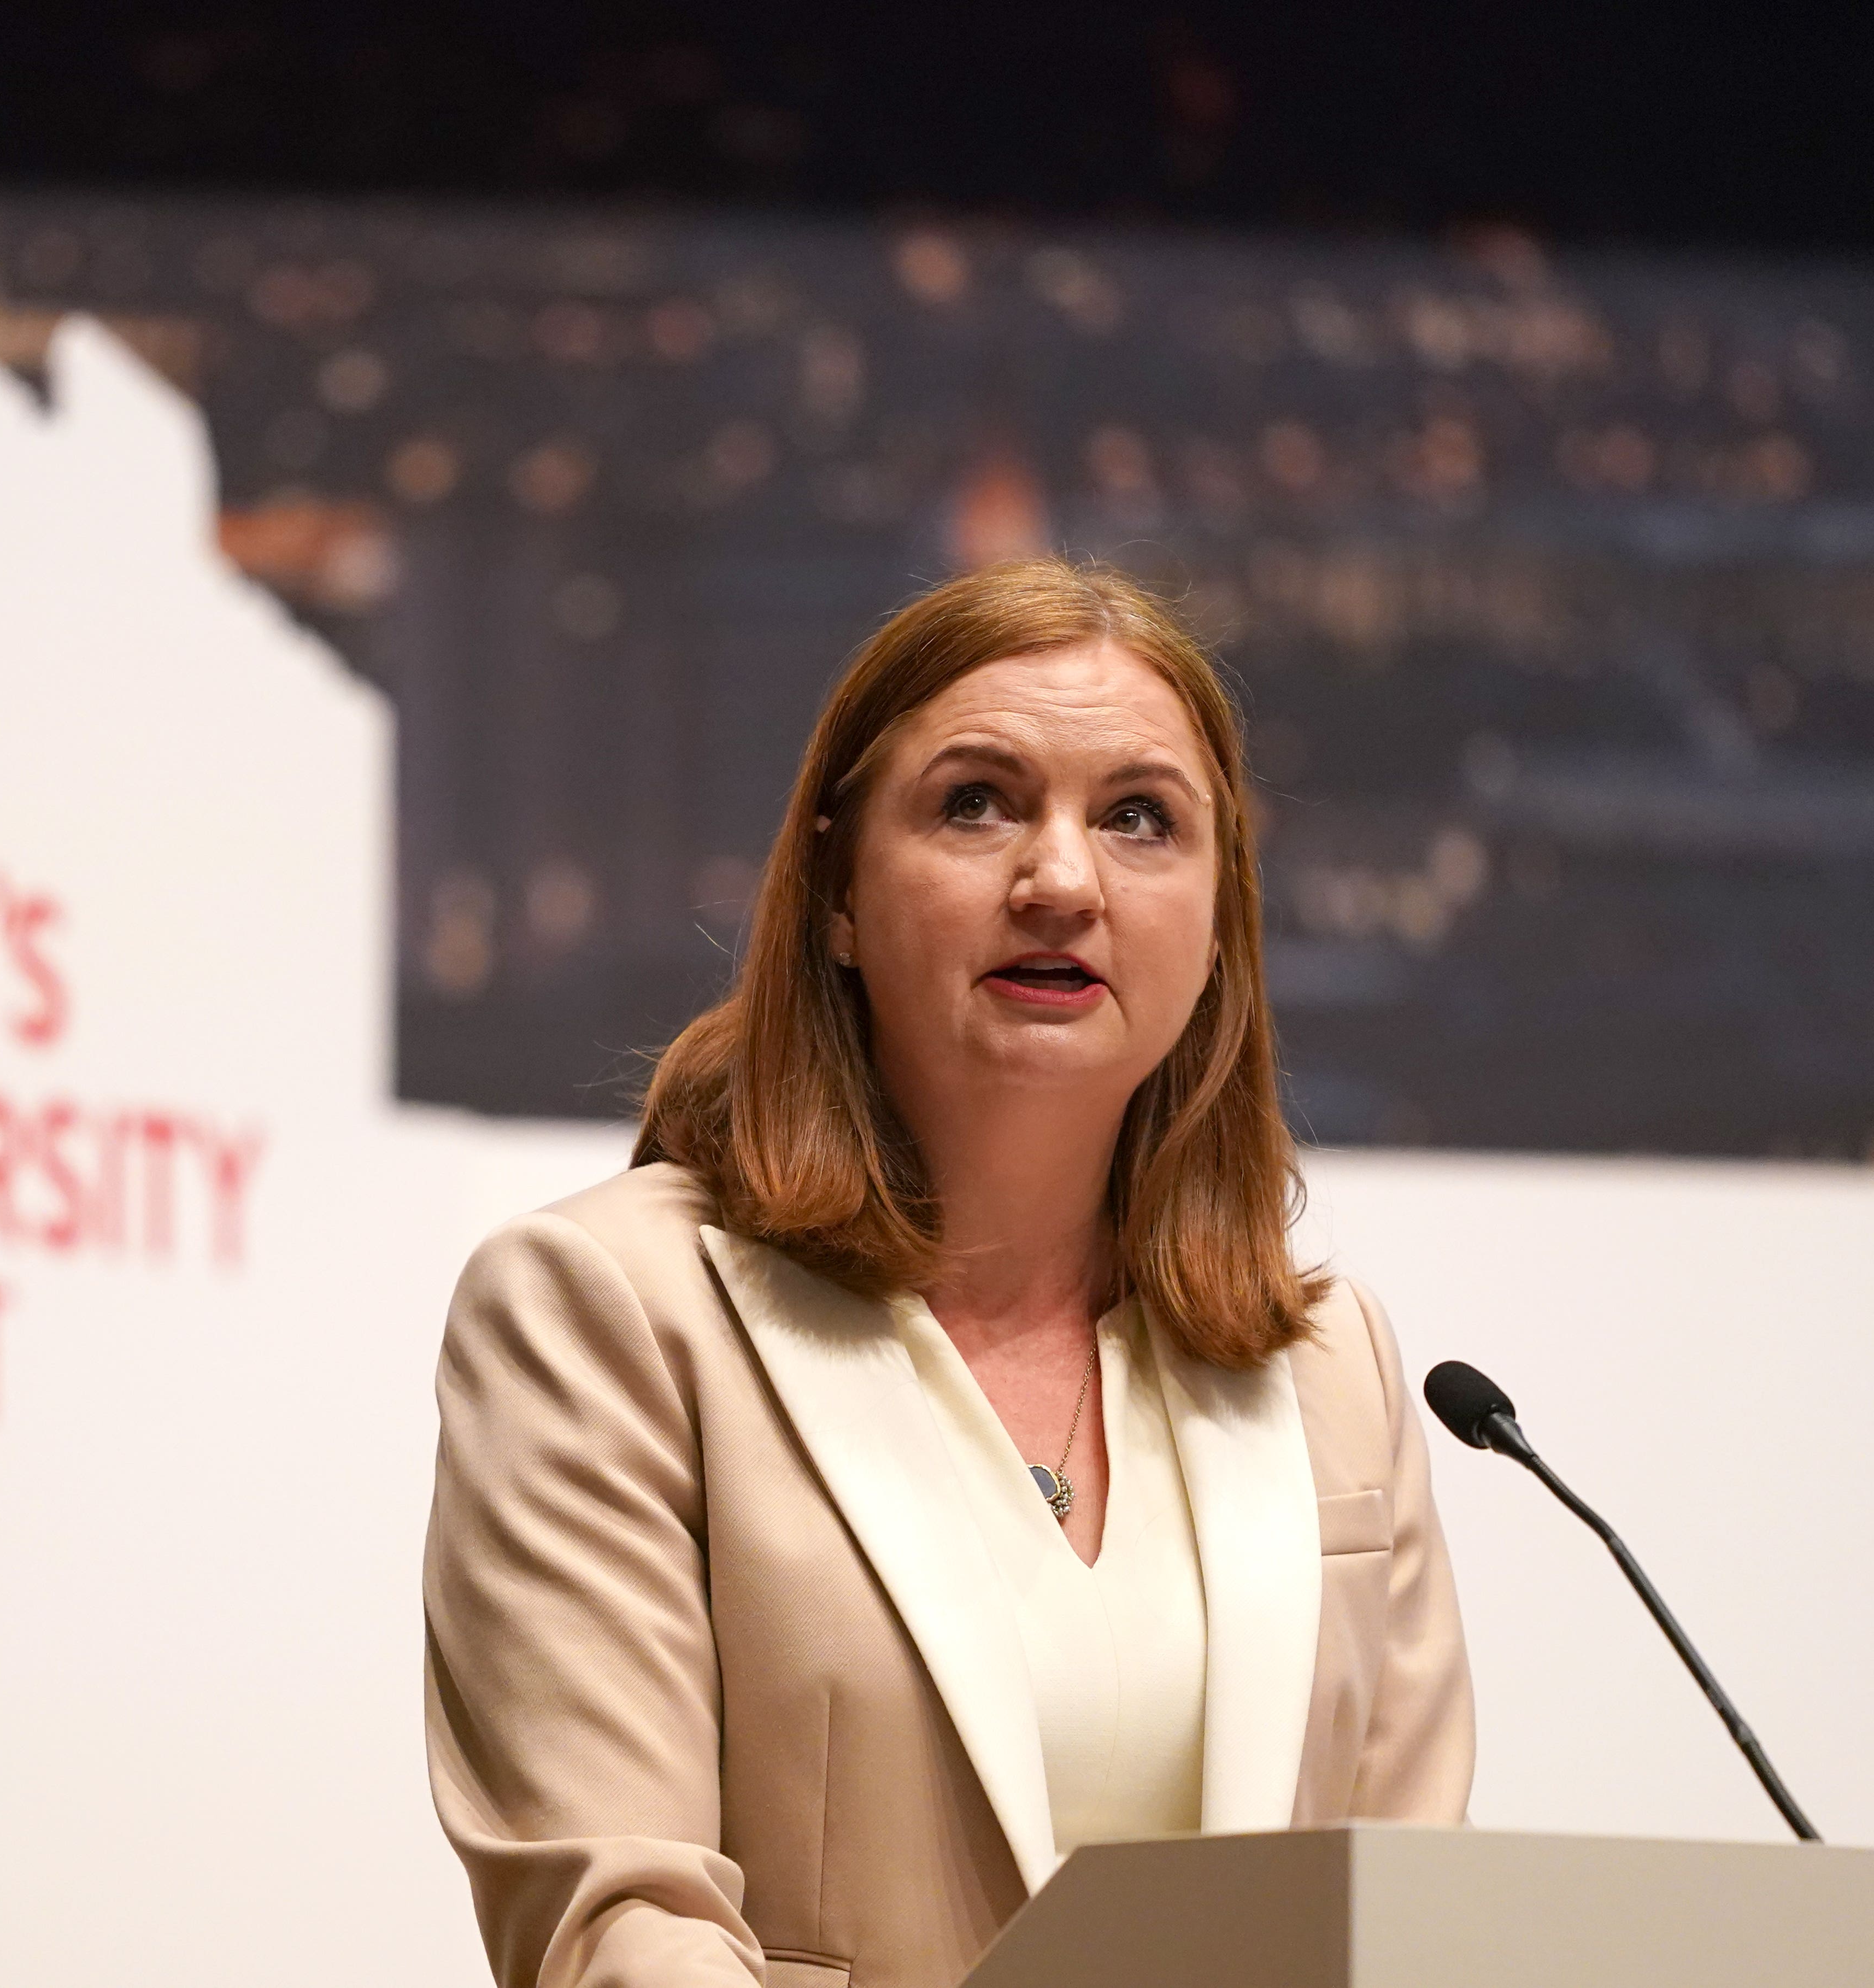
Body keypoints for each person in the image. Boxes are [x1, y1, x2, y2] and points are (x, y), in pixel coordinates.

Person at [423, 558, 1471, 1988]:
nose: (1061, 879)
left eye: (1140, 820)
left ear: (1220, 920)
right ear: (838, 892)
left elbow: (1406, 1922)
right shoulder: (609, 1314)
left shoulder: (1332, 1367)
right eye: (977, 803)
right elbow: (621, 1925)